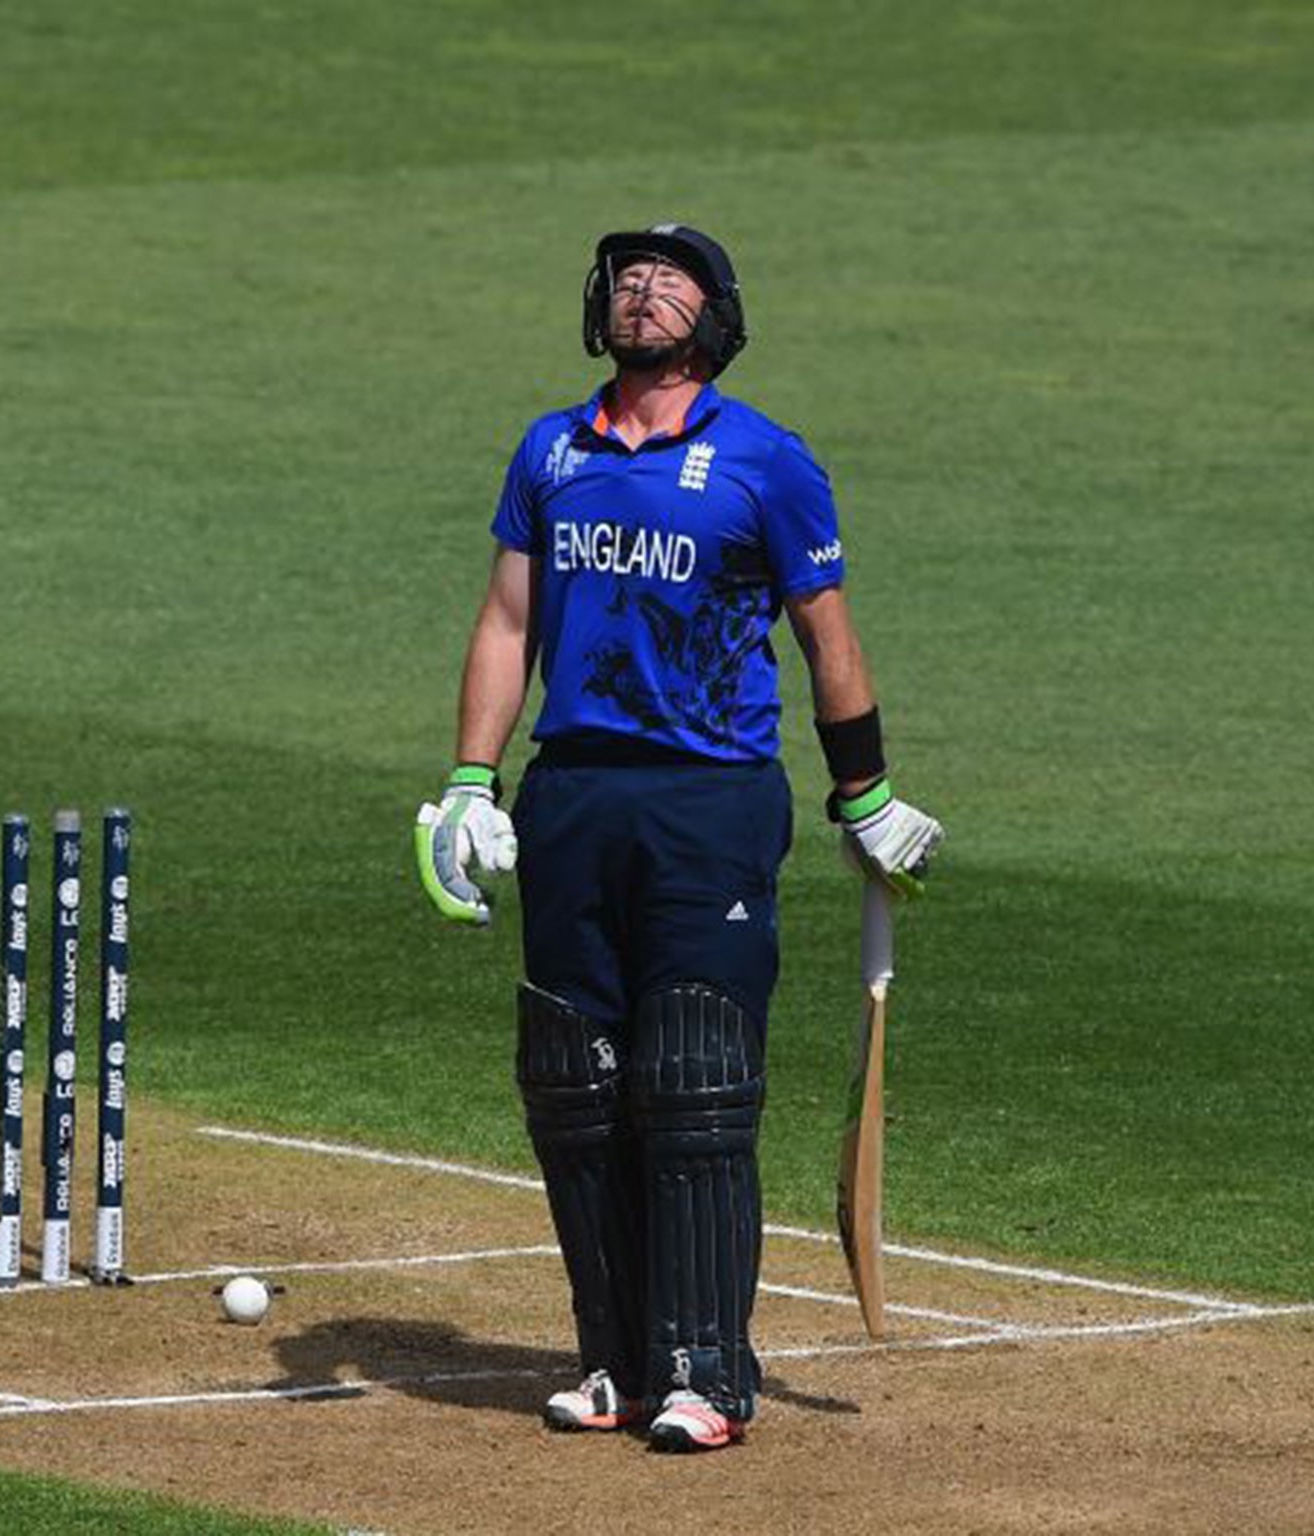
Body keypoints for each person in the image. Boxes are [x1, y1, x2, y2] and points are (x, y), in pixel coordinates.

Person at [414, 223, 942, 1453]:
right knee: (571, 1083)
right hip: (573, 795)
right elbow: (506, 621)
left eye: (671, 278)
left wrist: (860, 796)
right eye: (629, 276)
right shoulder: (551, 448)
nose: (643, 291)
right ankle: (614, 1362)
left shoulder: (765, 460)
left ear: (714, 315)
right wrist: (467, 785)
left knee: (693, 1084)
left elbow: (828, 639)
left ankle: (707, 1372)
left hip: (708, 800)